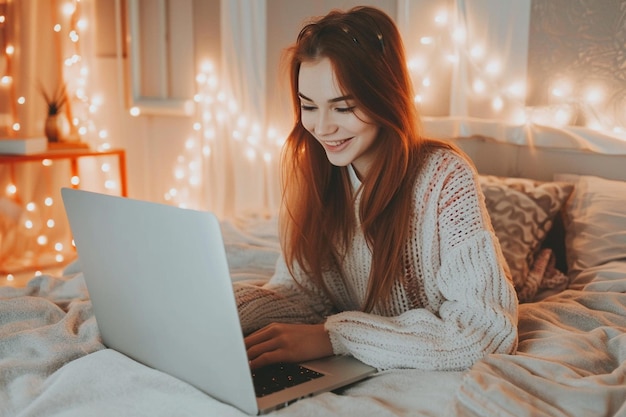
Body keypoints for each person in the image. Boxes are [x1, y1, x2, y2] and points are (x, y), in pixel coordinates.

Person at [234, 5, 518, 372]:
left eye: (343, 107)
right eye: (309, 106)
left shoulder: (446, 176)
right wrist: (229, 311)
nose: (321, 128)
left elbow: (486, 332)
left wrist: (336, 336)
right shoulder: (315, 168)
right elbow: (305, 294)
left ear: (385, 97)